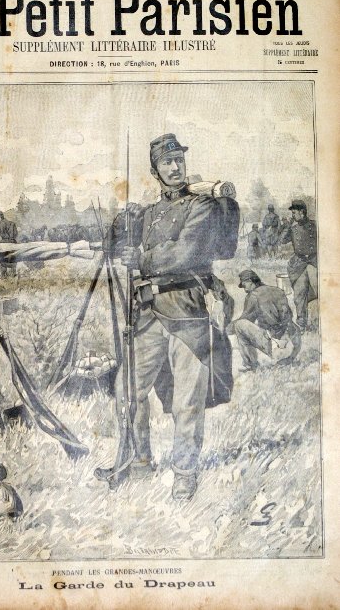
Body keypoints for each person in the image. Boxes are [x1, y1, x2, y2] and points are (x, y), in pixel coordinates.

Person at [107, 133, 237, 501]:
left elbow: (187, 252)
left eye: (178, 159)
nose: (174, 167)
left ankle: (184, 474)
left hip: (187, 312)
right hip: (147, 313)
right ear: (156, 171)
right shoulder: (149, 214)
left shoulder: (203, 206)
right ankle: (138, 461)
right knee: (126, 391)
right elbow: (120, 246)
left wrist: (144, 258)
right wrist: (122, 225)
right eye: (166, 162)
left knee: (187, 402)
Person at [231, 269, 301, 371]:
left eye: (244, 284)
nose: (243, 288)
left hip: (278, 347)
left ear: (251, 281)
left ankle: (250, 364)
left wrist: (223, 329)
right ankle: (288, 358)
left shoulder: (253, 296)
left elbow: (246, 319)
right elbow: (288, 316)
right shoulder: (278, 290)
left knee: (239, 325)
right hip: (294, 345)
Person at [280, 200, 317, 331]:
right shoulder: (293, 228)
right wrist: (288, 225)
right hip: (299, 264)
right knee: (299, 295)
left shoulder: (314, 225)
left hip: (314, 262)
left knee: (319, 290)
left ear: (302, 212)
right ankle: (301, 324)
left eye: (294, 213)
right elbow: (282, 240)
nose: (292, 215)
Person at [0, 211, 18, 277]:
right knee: (13, 258)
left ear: (0, 217)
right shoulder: (12, 223)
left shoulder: (1, 223)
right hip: (13, 243)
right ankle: (13, 274)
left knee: (3, 259)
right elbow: (16, 234)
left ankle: (3, 275)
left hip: (4, 243)